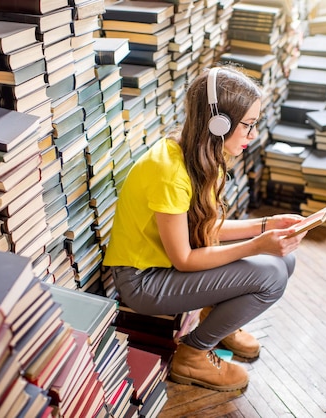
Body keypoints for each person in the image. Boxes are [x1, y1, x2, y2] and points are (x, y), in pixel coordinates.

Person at [103, 65, 308, 392]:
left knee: (286, 261)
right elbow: (184, 258)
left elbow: (206, 228)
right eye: (248, 125)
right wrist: (257, 245)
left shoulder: (198, 155)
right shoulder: (170, 172)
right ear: (219, 123)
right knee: (270, 274)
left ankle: (220, 323)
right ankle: (193, 355)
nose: (252, 135)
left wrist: (267, 225)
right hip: (143, 281)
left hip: (165, 267)